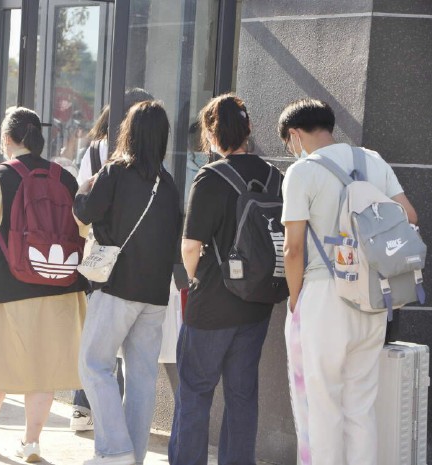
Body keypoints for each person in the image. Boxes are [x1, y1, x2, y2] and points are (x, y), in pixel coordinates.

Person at [279, 98, 417, 465]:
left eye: (288, 144)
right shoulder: (373, 161)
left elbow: (293, 249)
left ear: (294, 135)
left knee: (322, 405)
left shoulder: (302, 172)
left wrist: (295, 300)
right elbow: (409, 215)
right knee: (360, 405)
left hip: (323, 294)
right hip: (373, 295)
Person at [0, 107, 89, 463]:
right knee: (42, 372)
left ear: (7, 139)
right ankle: (31, 443)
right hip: (59, 289)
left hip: (6, 289)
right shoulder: (65, 178)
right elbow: (83, 229)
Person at [169, 94, 279, 465]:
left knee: (195, 392)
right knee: (242, 395)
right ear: (249, 129)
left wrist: (194, 279)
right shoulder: (274, 176)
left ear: (211, 135)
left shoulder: (210, 177)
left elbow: (190, 246)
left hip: (212, 304)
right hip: (258, 301)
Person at [74, 101, 180, 465]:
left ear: (128, 132)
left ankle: (115, 451)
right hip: (155, 294)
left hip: (117, 286)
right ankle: (133, 456)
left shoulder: (116, 171)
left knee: (93, 364)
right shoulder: (168, 184)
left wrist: (84, 189)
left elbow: (85, 211)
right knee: (142, 379)